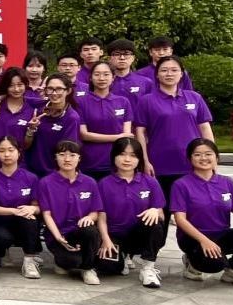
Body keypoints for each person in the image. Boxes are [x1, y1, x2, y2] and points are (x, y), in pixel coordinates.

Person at [172, 138, 233, 290]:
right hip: (193, 238)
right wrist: (204, 240)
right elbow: (180, 220)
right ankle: (192, 263)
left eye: (208, 154)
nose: (203, 158)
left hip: (221, 235)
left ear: (217, 157)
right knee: (215, 265)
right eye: (197, 154)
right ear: (190, 158)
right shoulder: (181, 184)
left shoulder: (227, 182)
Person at [135, 56, 214, 206]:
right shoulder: (146, 101)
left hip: (192, 163)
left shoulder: (194, 98)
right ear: (157, 74)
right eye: (164, 70)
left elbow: (205, 128)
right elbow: (140, 132)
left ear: (182, 74)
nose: (169, 74)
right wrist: (144, 161)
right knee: (160, 210)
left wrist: (212, 157)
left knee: (193, 210)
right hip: (159, 164)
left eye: (174, 70)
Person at [97, 137, 165, 288]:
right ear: (114, 156)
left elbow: (161, 213)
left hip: (139, 234)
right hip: (115, 235)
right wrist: (105, 240)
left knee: (156, 223)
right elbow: (101, 217)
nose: (127, 159)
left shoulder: (150, 182)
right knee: (107, 266)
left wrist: (155, 210)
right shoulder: (104, 184)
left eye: (133, 155)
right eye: (122, 154)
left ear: (139, 159)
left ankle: (148, 268)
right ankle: (123, 256)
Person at [38, 140, 103, 285]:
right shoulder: (46, 183)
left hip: (80, 230)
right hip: (57, 233)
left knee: (90, 230)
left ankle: (87, 269)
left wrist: (89, 218)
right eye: (62, 155)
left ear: (79, 158)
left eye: (72, 155)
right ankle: (62, 262)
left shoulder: (90, 182)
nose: (67, 159)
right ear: (55, 157)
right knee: (71, 262)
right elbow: (46, 214)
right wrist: (58, 237)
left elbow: (95, 212)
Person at [0, 136, 43, 279]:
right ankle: (2, 252)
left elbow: (38, 206)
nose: (7, 154)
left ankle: (29, 260)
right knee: (1, 238)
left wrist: (33, 209)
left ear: (19, 152)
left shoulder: (31, 178)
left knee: (30, 219)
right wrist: (13, 211)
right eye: (2, 151)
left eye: (11, 150)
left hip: (22, 222)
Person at [75, 62, 133, 181]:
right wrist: (118, 137)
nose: (101, 78)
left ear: (113, 77)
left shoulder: (123, 102)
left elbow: (126, 135)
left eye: (106, 74)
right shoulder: (81, 102)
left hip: (117, 161)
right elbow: (83, 134)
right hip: (91, 161)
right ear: (90, 78)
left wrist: (122, 137)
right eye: (97, 74)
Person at [0, 68, 39, 171]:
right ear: (6, 87)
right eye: (11, 85)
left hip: (15, 163)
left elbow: (26, 145)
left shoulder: (31, 110)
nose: (16, 89)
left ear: (26, 85)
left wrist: (31, 130)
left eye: (20, 85)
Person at [27, 74, 82, 175]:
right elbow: (15, 96)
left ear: (68, 91)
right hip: (31, 170)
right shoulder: (39, 105)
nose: (54, 93)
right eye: (50, 89)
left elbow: (69, 150)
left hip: (54, 173)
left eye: (59, 89)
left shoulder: (72, 118)